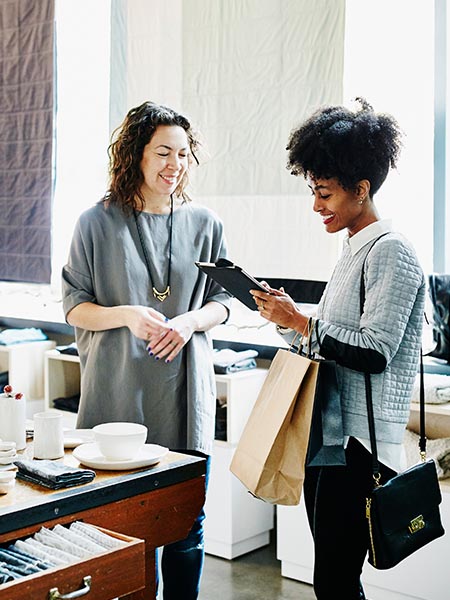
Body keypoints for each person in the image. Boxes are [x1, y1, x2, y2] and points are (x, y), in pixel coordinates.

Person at [250, 98, 425, 600]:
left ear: (361, 188)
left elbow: (374, 352)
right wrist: (284, 319)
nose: (316, 206)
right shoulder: (354, 248)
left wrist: (300, 320)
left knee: (336, 577)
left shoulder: (390, 249)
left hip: (359, 444)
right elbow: (326, 339)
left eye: (324, 193)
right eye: (313, 191)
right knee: (331, 573)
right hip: (330, 436)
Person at [62, 101, 231, 599]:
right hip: (118, 393)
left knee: (186, 522)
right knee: (121, 526)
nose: (174, 165)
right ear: (135, 154)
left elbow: (224, 302)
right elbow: (74, 307)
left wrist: (188, 321)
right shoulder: (96, 222)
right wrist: (127, 315)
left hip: (183, 393)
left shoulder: (205, 223)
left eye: (182, 153)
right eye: (162, 152)